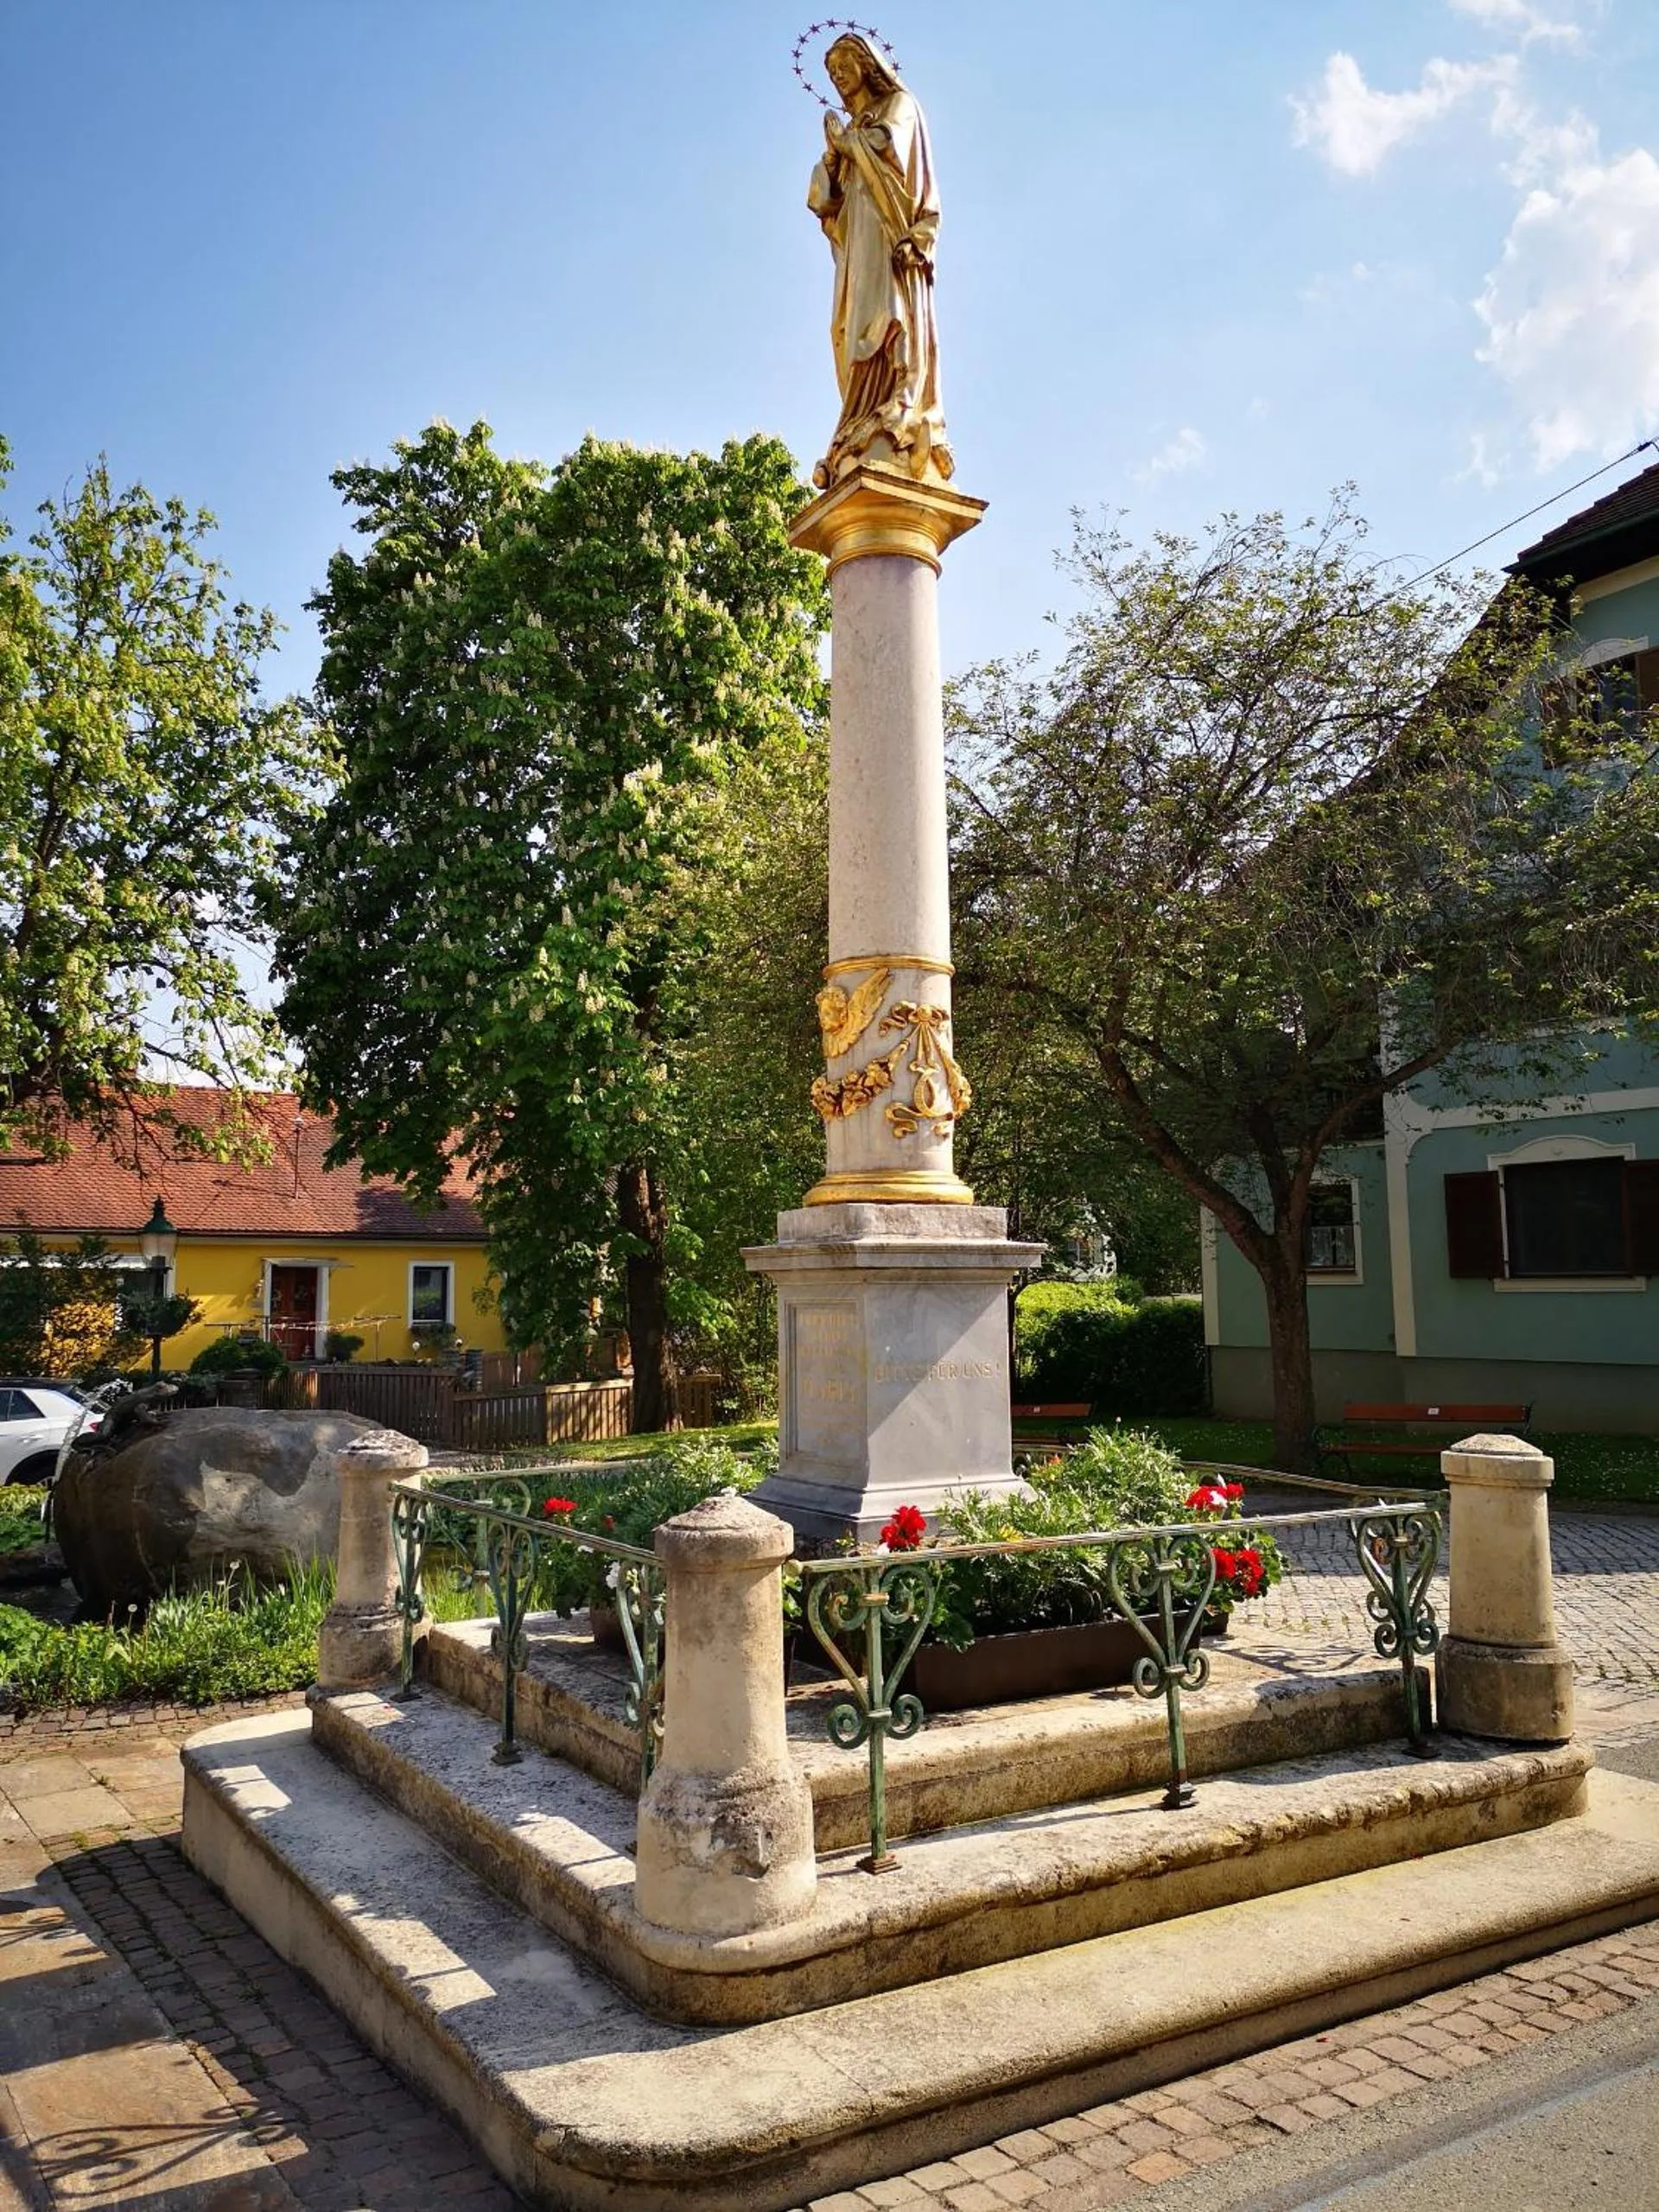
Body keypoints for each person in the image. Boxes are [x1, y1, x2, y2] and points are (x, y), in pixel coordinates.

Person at [807, 32, 954, 488]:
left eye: (844, 66)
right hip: (857, 244)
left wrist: (848, 145)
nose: (838, 78)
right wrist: (832, 158)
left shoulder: (898, 105)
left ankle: (899, 408)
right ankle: (858, 419)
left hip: (888, 234)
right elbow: (825, 203)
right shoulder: (852, 131)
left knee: (889, 318)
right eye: (831, 74)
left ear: (867, 64)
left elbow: (888, 146)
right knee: (848, 329)